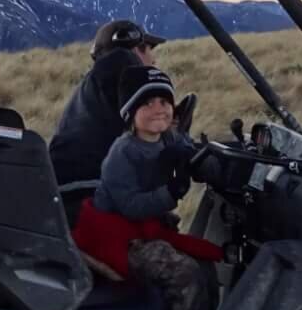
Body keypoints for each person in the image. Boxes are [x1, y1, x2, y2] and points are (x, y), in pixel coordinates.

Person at [71, 65, 222, 310]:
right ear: (131, 113)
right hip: (118, 235)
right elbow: (130, 206)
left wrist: (206, 161)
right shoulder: (123, 153)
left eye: (164, 101)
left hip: (145, 226)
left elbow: (191, 154)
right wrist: (170, 193)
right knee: (183, 271)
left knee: (206, 262)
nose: (159, 109)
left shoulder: (169, 139)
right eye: (147, 103)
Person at [48, 20, 194, 197]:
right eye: (146, 49)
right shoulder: (121, 61)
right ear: (131, 47)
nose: (153, 60)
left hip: (69, 186)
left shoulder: (95, 87)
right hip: (89, 187)